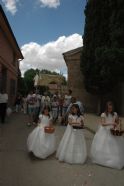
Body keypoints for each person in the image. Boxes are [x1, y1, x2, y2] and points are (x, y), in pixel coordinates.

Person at [90, 101, 124, 169]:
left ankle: (115, 160)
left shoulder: (115, 114)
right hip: (105, 131)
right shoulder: (103, 114)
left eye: (111, 108)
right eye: (109, 108)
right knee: (106, 145)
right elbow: (103, 124)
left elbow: (117, 122)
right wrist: (112, 123)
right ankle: (104, 160)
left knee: (115, 146)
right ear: (106, 108)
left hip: (113, 130)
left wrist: (118, 122)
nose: (110, 109)